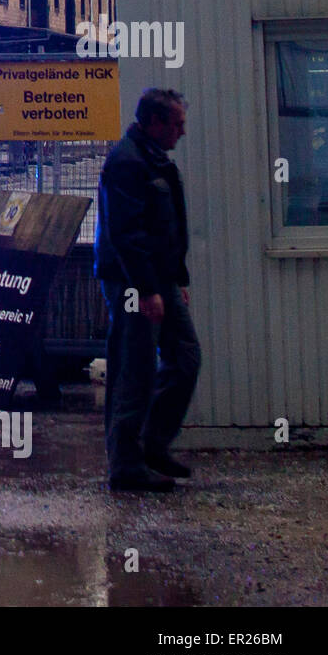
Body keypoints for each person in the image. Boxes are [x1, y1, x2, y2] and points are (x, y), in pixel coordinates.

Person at [95, 88, 201, 492]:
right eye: (177, 124)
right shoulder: (127, 163)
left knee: (185, 357)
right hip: (133, 282)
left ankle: (151, 446)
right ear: (155, 123)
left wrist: (174, 281)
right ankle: (125, 465)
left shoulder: (151, 159)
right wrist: (147, 290)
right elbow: (126, 236)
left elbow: (164, 228)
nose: (182, 132)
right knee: (134, 368)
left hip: (158, 279)